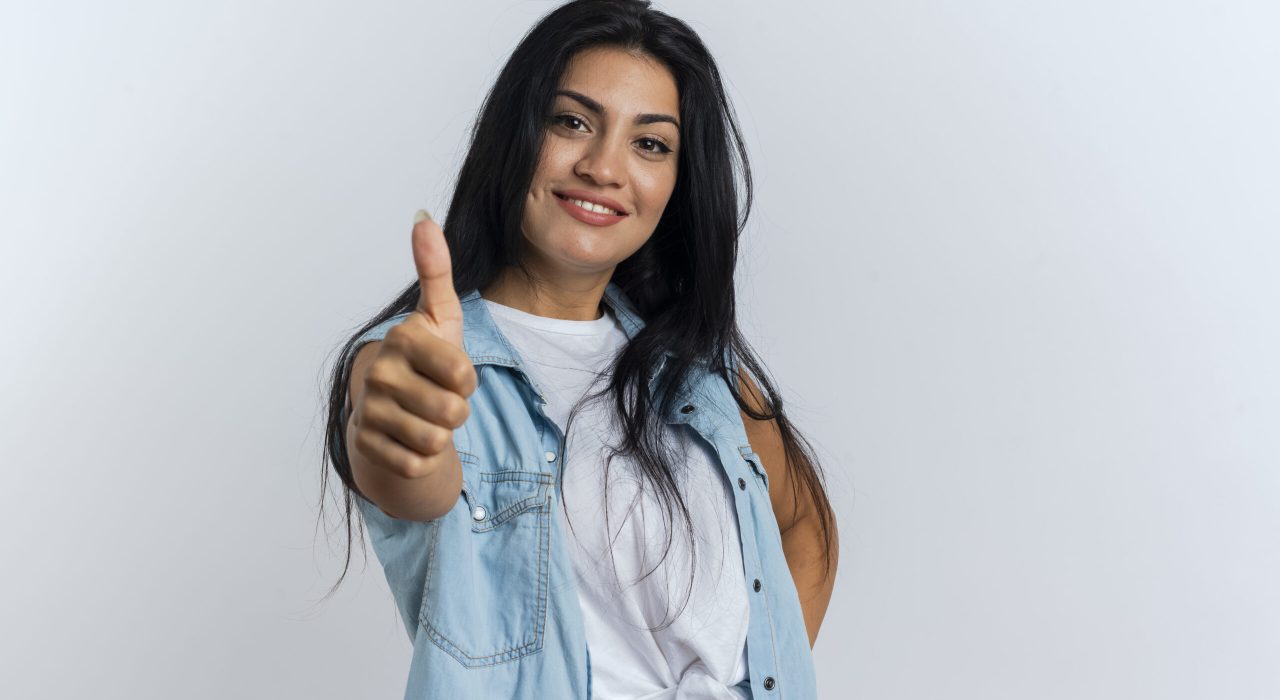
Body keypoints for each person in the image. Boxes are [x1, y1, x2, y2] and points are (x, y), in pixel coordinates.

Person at [321, 1, 839, 697]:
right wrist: (399, 430)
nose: (603, 167)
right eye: (571, 122)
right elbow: (409, 474)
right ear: (516, 133)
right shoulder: (414, 359)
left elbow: (804, 524)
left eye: (649, 144)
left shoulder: (701, 371)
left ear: (678, 183)